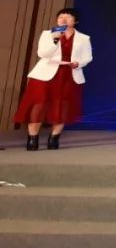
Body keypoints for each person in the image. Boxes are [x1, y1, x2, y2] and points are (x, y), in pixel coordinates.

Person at [14, 8, 92, 150]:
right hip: (45, 74)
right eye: (61, 17)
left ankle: (54, 138)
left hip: (69, 75)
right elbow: (42, 53)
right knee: (39, 104)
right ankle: (32, 139)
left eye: (68, 17)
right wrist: (55, 39)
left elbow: (87, 57)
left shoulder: (83, 38)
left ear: (75, 21)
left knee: (63, 106)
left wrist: (78, 63)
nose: (64, 19)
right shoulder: (47, 34)